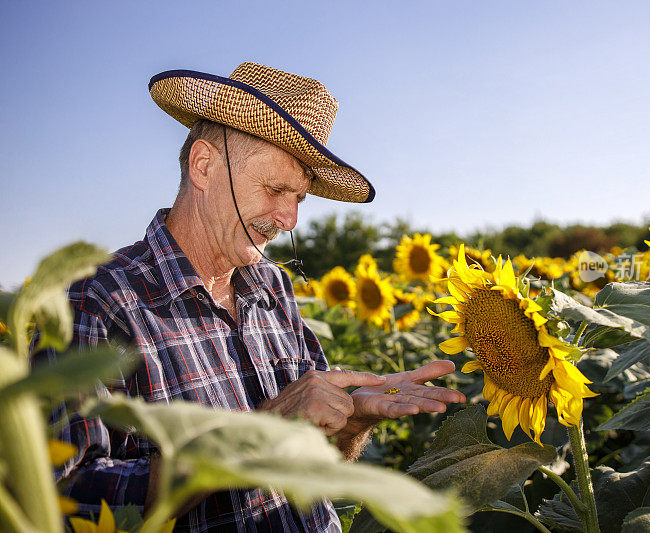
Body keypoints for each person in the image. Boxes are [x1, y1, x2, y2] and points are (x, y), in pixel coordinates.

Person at [41, 63, 465, 532]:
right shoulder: (98, 301)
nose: (290, 219)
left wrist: (350, 421)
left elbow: (316, 468)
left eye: (300, 197)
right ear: (204, 166)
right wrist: (257, 430)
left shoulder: (274, 287)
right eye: (275, 189)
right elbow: (68, 496)